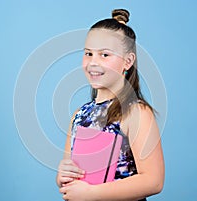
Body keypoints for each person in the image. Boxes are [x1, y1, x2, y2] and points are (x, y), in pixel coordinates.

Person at [56, 9, 164, 201]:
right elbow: (70, 173)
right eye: (88, 53)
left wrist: (92, 194)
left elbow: (153, 180)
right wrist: (63, 175)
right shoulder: (79, 115)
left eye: (105, 55)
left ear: (128, 61)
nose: (93, 62)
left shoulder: (135, 112)